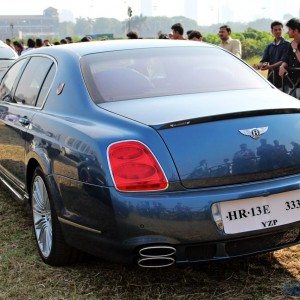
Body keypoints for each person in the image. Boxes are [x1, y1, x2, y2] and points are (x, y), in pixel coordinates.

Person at [254, 21, 289, 88]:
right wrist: (258, 66)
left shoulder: (287, 45)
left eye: (280, 29)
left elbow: (283, 61)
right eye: (275, 30)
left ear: (283, 30)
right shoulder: (269, 46)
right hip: (271, 78)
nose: (278, 31)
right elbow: (264, 60)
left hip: (284, 79)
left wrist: (269, 67)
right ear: (272, 31)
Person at [279, 18, 300, 99]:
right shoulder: (290, 44)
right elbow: (286, 59)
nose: (287, 32)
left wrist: (296, 49)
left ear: (296, 30)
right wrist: (282, 66)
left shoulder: (294, 46)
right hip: (291, 84)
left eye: (289, 29)